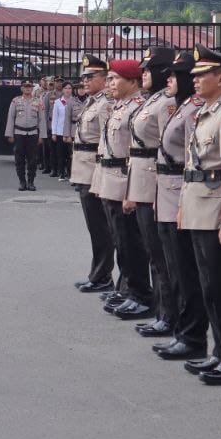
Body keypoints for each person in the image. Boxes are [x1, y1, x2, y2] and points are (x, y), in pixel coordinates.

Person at [178, 45, 221, 387]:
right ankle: (219, 352)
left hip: (215, 203)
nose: (194, 80)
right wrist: (181, 205)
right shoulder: (204, 112)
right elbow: (192, 163)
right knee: (208, 286)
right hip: (196, 202)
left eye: (201, 75)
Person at [151, 51, 211, 362]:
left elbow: (193, 161)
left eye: (175, 76)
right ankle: (181, 330)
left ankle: (191, 335)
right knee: (174, 267)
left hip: (180, 192)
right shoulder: (184, 106)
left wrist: (183, 203)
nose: (168, 80)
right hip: (168, 191)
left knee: (185, 271)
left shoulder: (194, 111)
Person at [124, 48, 176, 337]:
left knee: (159, 255)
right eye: (142, 70)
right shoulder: (152, 100)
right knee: (151, 252)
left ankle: (166, 313)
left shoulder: (166, 104)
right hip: (141, 177)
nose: (143, 74)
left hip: (154, 180)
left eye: (148, 70)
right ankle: (159, 309)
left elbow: (167, 150)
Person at [99, 60, 152, 319]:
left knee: (132, 242)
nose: (110, 84)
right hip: (111, 178)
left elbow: (136, 153)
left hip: (125, 180)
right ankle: (126, 288)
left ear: (133, 81)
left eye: (114, 78)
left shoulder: (139, 107)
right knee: (120, 240)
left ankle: (139, 292)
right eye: (108, 79)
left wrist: (131, 191)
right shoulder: (119, 106)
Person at [71, 58, 115, 293]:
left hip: (94, 172)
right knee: (95, 227)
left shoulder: (105, 104)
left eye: (90, 77)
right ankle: (98, 273)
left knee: (101, 228)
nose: (85, 81)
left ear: (104, 79)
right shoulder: (92, 102)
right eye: (84, 77)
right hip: (83, 170)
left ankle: (102, 276)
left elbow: (109, 143)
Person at [5, 78, 47, 191]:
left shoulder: (38, 102)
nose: (27, 89)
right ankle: (22, 182)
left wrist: (42, 136)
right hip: (19, 133)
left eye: (29, 87)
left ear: (32, 88)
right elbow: (11, 118)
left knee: (33, 160)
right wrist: (10, 134)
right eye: (25, 87)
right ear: (21, 88)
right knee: (19, 159)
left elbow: (42, 120)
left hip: (33, 134)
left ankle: (31, 182)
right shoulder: (15, 101)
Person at [51, 81, 72, 180]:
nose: (68, 90)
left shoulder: (74, 101)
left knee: (70, 154)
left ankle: (70, 173)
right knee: (61, 153)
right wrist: (54, 133)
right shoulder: (57, 102)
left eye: (69, 88)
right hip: (60, 131)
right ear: (62, 90)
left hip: (71, 132)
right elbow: (55, 118)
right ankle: (61, 173)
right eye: (66, 88)